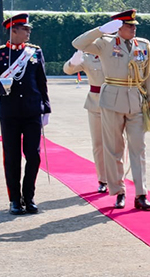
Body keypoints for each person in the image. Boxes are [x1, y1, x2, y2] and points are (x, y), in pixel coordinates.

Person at [72, 9, 150, 211]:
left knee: (138, 148)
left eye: (134, 25)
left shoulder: (143, 45)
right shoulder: (105, 43)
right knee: (114, 149)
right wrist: (100, 30)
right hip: (111, 100)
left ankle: (141, 193)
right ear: (119, 27)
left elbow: (149, 75)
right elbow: (78, 44)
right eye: (129, 26)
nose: (133, 29)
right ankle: (119, 191)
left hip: (136, 100)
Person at [0, 13, 51, 215]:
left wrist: (46, 107)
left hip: (32, 110)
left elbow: (42, 81)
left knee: (34, 156)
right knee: (12, 157)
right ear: (13, 30)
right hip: (10, 113)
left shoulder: (35, 52)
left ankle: (29, 196)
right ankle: (15, 199)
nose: (29, 32)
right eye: (25, 29)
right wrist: (2, 87)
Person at [63, 50, 107, 193]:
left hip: (117, 103)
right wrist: (74, 61)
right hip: (95, 104)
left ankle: (116, 178)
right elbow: (67, 70)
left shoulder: (115, 53)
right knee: (98, 144)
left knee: (117, 144)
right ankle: (103, 179)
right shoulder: (88, 58)